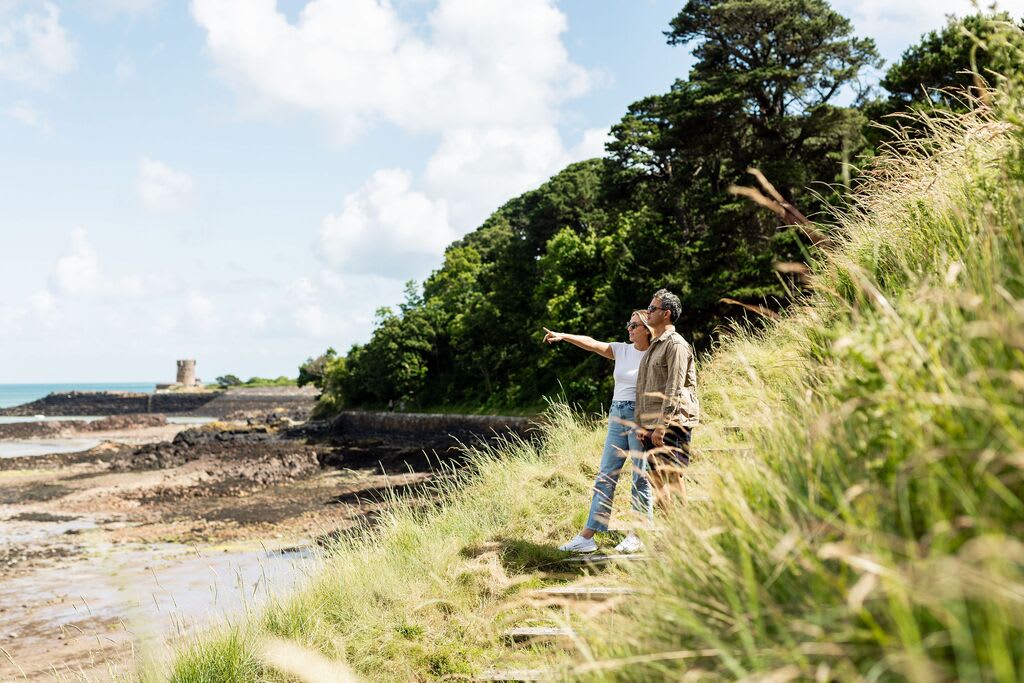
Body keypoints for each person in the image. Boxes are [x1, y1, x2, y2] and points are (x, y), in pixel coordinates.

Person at [543, 311, 655, 554]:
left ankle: (638, 533)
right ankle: (587, 536)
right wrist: (563, 335)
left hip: (641, 416)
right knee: (606, 475)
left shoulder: (656, 354)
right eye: (629, 323)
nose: (629, 328)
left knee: (640, 475)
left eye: (634, 325)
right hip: (617, 415)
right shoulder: (621, 350)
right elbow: (592, 344)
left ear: (647, 328)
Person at [635, 288, 699, 502]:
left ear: (667, 313)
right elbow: (644, 387)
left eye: (653, 308)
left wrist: (662, 426)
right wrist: (642, 424)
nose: (648, 312)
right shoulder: (655, 346)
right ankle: (670, 529)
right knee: (656, 479)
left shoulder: (676, 344)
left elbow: (674, 388)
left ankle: (684, 529)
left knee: (672, 476)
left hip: (672, 423)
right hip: (651, 423)